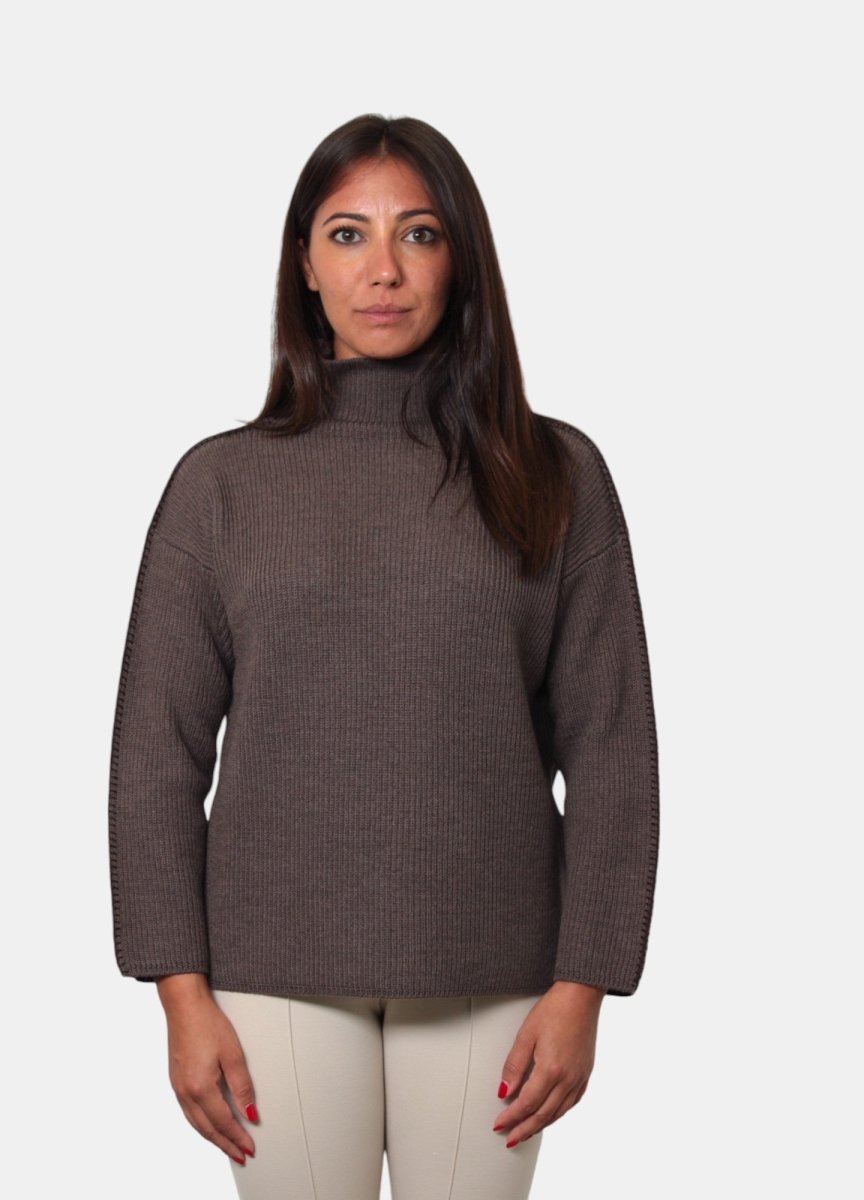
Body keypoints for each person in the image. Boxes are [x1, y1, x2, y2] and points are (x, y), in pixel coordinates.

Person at [108, 113, 660, 1200]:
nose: (385, 270)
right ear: (304, 265)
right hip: (271, 972)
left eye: (419, 233)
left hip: (497, 969)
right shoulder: (221, 487)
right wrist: (178, 992)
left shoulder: (556, 473)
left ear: (461, 258)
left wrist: (585, 985)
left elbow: (614, 750)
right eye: (348, 234)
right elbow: (154, 758)